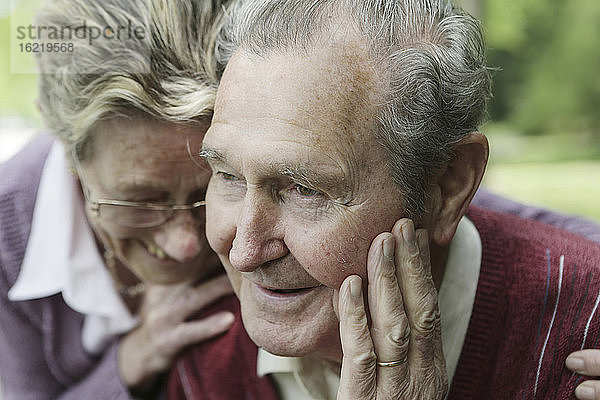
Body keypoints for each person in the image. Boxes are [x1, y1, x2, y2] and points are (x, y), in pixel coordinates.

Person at [167, 0, 600, 399]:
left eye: (304, 190)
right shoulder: (201, 351)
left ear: (449, 186)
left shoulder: (586, 335)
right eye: (228, 176)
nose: (243, 253)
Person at [0, 0, 235, 398]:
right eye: (142, 201)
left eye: (211, 188)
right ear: (69, 149)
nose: (187, 245)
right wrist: (131, 360)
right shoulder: (7, 239)